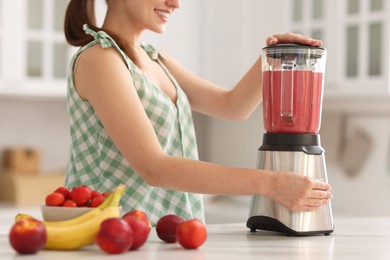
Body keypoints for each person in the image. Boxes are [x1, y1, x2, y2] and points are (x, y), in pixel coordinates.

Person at [63, 0, 332, 225]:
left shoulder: (154, 58)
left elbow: (232, 106)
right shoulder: (101, 59)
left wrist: (272, 56)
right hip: (111, 237)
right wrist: (271, 184)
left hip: (161, 235)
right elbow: (154, 168)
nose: (176, 3)